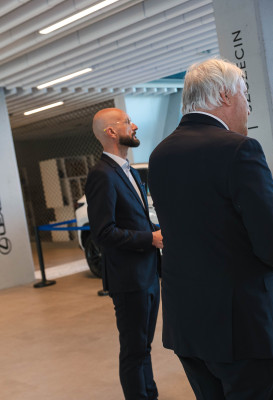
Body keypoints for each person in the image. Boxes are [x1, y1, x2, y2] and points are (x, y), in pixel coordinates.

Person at [148, 58, 273, 400]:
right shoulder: (239, 149)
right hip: (242, 328)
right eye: (245, 94)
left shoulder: (160, 155)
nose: (248, 106)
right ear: (226, 95)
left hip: (187, 326)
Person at [85, 108, 163, 400]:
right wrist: (150, 238)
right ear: (111, 132)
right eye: (128, 122)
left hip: (147, 273)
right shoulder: (101, 175)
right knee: (134, 350)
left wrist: (156, 230)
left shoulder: (128, 171)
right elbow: (103, 233)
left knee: (144, 347)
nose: (135, 126)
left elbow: (133, 219)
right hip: (129, 279)